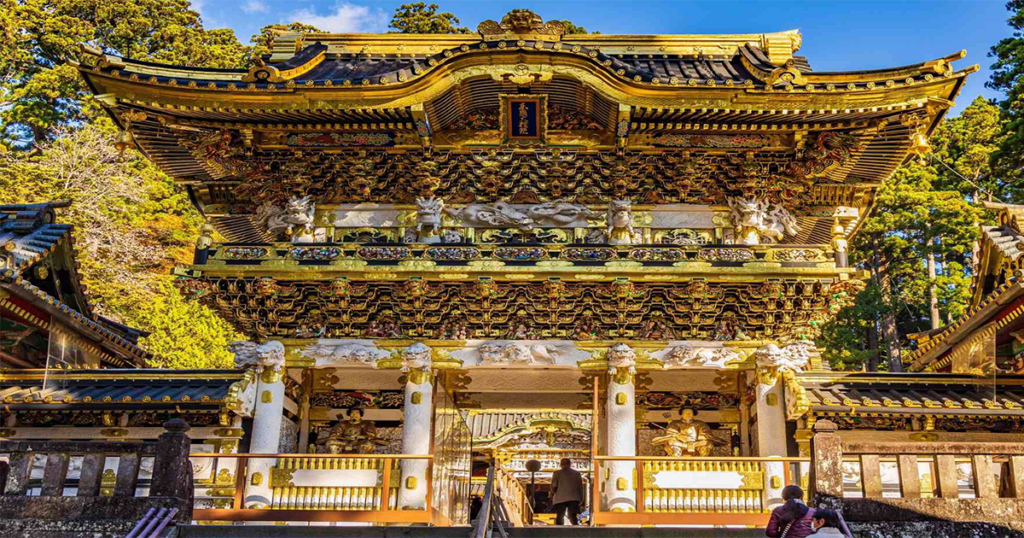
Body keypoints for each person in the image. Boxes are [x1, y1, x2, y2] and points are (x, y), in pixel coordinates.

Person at [550, 458, 584, 525]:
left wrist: (552, 493)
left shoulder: (557, 473)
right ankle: (576, 531)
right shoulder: (577, 473)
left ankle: (559, 531)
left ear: (560, 464)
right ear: (570, 464)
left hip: (560, 497)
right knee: (572, 516)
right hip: (574, 497)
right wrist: (581, 499)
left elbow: (554, 486)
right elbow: (580, 487)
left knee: (560, 516)